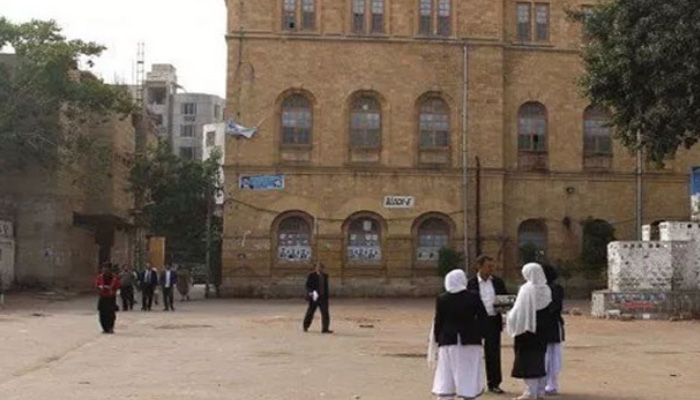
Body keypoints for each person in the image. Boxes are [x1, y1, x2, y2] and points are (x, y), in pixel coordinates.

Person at [430, 269, 488, 399]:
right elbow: (483, 318)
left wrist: (437, 338)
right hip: (470, 340)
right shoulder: (473, 296)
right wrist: (481, 334)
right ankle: (468, 395)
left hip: (448, 340)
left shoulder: (442, 298)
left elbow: (438, 321)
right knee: (469, 372)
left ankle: (446, 396)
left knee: (447, 372)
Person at [507, 263, 553, 400]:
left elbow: (518, 312)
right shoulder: (546, 290)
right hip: (542, 331)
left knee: (527, 360)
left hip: (526, 331)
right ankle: (540, 391)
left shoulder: (526, 290)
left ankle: (530, 392)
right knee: (539, 359)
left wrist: (508, 316)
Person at [467, 255, 508, 394]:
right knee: (474, 353)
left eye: (493, 266)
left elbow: (505, 302)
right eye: (488, 266)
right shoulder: (470, 283)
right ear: (479, 266)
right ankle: (473, 384)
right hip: (476, 322)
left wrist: (505, 315)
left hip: (493, 321)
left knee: (493, 354)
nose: (491, 269)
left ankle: (494, 383)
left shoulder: (498, 282)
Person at [542, 264, 565, 395]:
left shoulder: (555, 289)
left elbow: (556, 307)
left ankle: (551, 384)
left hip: (551, 324)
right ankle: (546, 383)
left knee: (552, 354)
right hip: (546, 324)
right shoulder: (542, 288)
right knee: (547, 355)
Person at [302, 262, 332, 333]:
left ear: (323, 268)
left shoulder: (325, 276)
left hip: (323, 297)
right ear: (316, 268)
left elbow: (325, 287)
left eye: (321, 268)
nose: (320, 269)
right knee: (310, 312)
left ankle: (325, 329)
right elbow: (307, 285)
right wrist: (311, 292)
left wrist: (327, 296)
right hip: (314, 297)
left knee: (325, 313)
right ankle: (305, 326)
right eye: (318, 267)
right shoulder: (311, 275)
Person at [95, 263, 120, 334]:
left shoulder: (114, 277)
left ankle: (110, 327)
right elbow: (96, 284)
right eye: (104, 268)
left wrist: (111, 288)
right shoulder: (100, 277)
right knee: (102, 313)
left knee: (110, 313)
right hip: (103, 296)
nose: (105, 270)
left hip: (110, 297)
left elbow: (117, 285)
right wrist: (100, 287)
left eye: (106, 268)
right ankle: (104, 328)